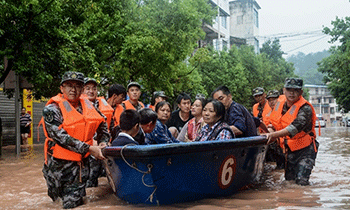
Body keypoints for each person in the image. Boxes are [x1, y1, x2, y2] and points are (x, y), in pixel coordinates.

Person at [41, 71, 110, 209]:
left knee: (73, 204)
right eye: (69, 85)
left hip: (79, 167)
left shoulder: (90, 106)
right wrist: (90, 149)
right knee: (56, 202)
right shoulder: (51, 109)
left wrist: (103, 142)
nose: (73, 89)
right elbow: (60, 137)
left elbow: (103, 126)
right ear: (62, 88)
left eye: (77, 86)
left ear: (82, 89)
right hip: (57, 167)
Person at [264, 78, 319, 186]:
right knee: (289, 182)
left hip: (306, 150)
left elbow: (294, 128)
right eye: (289, 89)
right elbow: (273, 124)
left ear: (301, 92)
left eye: (296, 90)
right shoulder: (279, 105)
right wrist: (268, 131)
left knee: (301, 182)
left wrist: (272, 135)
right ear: (284, 91)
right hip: (289, 150)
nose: (292, 93)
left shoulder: (305, 108)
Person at [83, 77, 114, 188]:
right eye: (88, 88)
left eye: (94, 88)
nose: (91, 91)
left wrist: (104, 142)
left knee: (94, 185)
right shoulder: (77, 107)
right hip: (82, 152)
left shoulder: (100, 108)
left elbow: (107, 129)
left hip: (99, 152)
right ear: (82, 90)